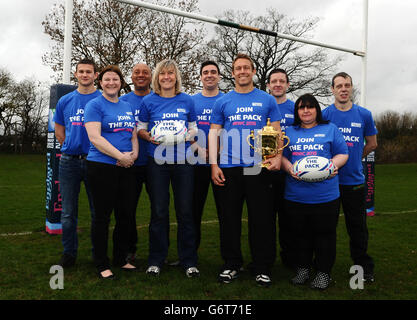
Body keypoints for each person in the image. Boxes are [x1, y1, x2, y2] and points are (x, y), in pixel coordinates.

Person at [209, 53, 283, 287]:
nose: (242, 71)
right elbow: (213, 133)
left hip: (258, 168)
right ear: (232, 73)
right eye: (238, 68)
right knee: (228, 219)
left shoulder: (267, 100)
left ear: (252, 71)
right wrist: (214, 164)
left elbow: (277, 131)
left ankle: (261, 267)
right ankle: (231, 264)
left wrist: (278, 157)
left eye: (246, 68)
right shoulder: (222, 101)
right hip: (229, 168)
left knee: (261, 219)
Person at [137, 59, 200, 278]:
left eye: (170, 73)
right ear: (157, 77)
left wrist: (185, 135)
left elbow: (194, 130)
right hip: (157, 163)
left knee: (185, 212)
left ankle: (188, 260)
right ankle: (156, 259)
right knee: (159, 211)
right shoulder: (148, 101)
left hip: (184, 162)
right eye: (162, 73)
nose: (166, 77)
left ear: (176, 77)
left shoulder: (187, 101)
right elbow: (141, 129)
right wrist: (151, 137)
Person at [281, 93, 349, 290]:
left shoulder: (330, 129)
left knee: (325, 235)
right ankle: (302, 269)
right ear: (297, 111)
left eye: (310, 107)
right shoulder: (289, 132)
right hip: (295, 195)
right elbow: (282, 156)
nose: (306, 110)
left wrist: (332, 166)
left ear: (316, 110)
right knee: (299, 235)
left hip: (325, 196)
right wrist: (289, 168)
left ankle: (323, 273)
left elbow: (343, 153)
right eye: (302, 107)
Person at [322, 72, 378, 282]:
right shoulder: (325, 114)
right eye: (339, 86)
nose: (343, 89)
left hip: (354, 182)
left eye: (347, 85)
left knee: (357, 229)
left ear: (351, 88)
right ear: (332, 89)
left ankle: (363, 269)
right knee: (327, 229)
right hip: (329, 183)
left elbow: (372, 143)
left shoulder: (364, 114)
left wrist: (353, 158)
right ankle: (323, 269)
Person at [84, 65, 138, 279]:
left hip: (126, 167)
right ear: (101, 82)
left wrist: (133, 154)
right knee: (102, 217)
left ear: (121, 82)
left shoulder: (126, 106)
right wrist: (120, 156)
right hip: (101, 167)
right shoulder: (94, 105)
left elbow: (133, 134)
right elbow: (95, 138)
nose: (111, 83)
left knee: (125, 215)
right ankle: (101, 263)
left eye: (115, 79)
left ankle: (119, 258)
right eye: (107, 79)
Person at [53, 58, 101, 268]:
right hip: (69, 162)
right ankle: (69, 254)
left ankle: (97, 254)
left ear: (95, 75)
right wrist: (71, 145)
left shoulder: (102, 98)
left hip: (95, 162)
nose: (84, 75)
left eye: (88, 72)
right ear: (76, 74)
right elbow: (59, 130)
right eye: (81, 71)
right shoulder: (65, 101)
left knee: (97, 212)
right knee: (68, 213)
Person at [120, 63, 152, 263]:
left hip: (156, 163)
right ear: (131, 76)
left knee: (159, 209)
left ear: (151, 77)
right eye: (137, 72)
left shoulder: (159, 99)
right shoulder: (122, 101)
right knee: (127, 209)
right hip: (129, 164)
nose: (141, 75)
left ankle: (158, 252)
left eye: (145, 73)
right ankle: (129, 249)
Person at [191, 60, 224, 251]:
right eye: (205, 72)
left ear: (219, 76)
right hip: (195, 163)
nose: (209, 75)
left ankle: (229, 259)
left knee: (226, 213)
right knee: (192, 212)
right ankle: (190, 257)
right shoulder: (191, 101)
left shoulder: (227, 99)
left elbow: (231, 129)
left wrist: (217, 151)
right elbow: (185, 129)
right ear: (201, 76)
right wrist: (198, 148)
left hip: (222, 165)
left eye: (213, 72)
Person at [266, 68, 295, 269]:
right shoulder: (262, 106)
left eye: (281, 81)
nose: (277, 84)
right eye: (274, 81)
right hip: (265, 170)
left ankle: (290, 259)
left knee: (289, 219)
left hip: (290, 172)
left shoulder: (298, 108)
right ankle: (265, 259)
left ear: (287, 85)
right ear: (268, 85)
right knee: (265, 218)